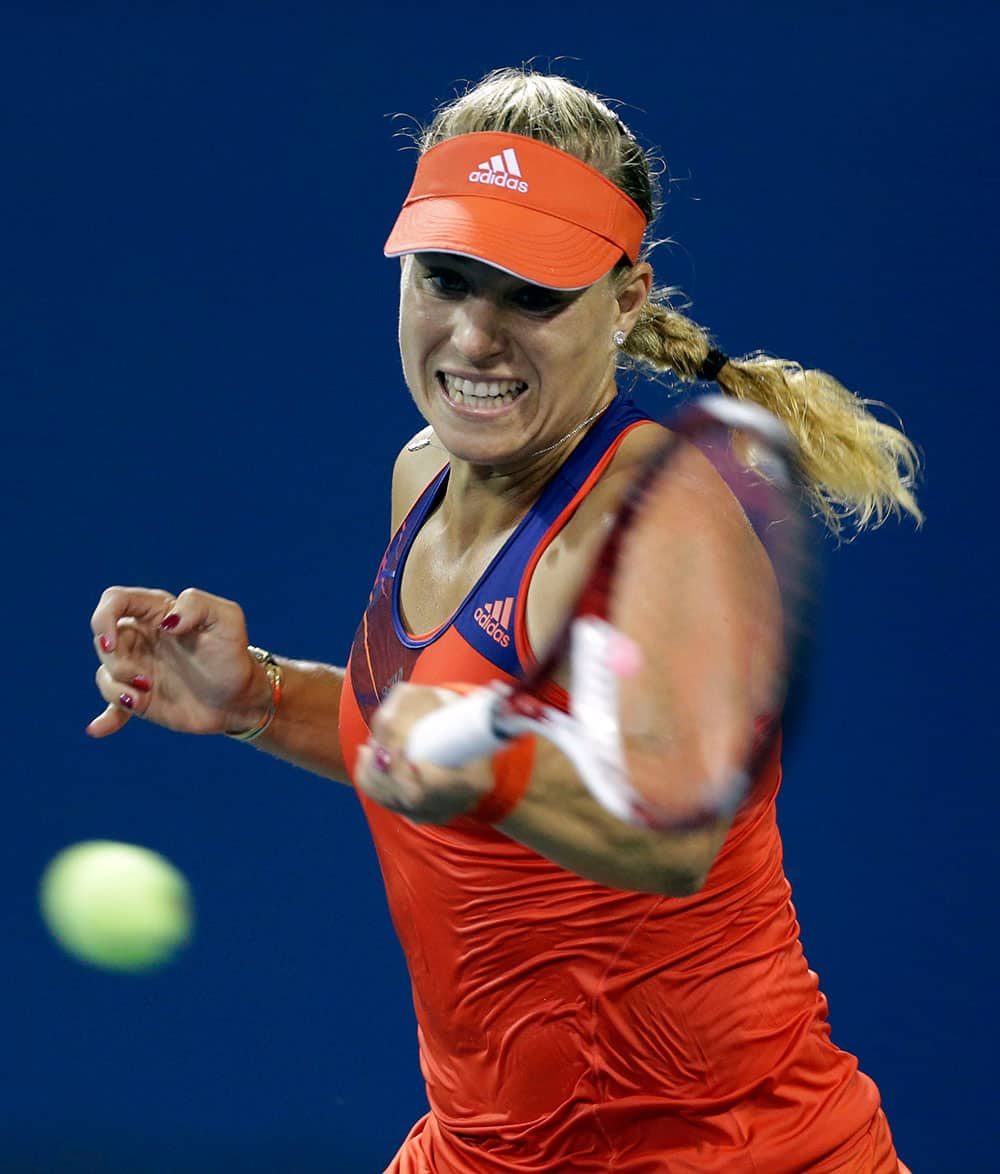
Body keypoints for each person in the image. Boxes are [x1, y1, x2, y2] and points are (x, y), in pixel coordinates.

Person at [88, 68, 920, 1173]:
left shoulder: (657, 519)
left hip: (724, 1151)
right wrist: (262, 701)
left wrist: (492, 758)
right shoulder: (422, 474)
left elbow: (671, 829)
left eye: (531, 295)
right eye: (444, 279)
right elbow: (417, 739)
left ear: (626, 300)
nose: (474, 338)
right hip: (486, 1147)